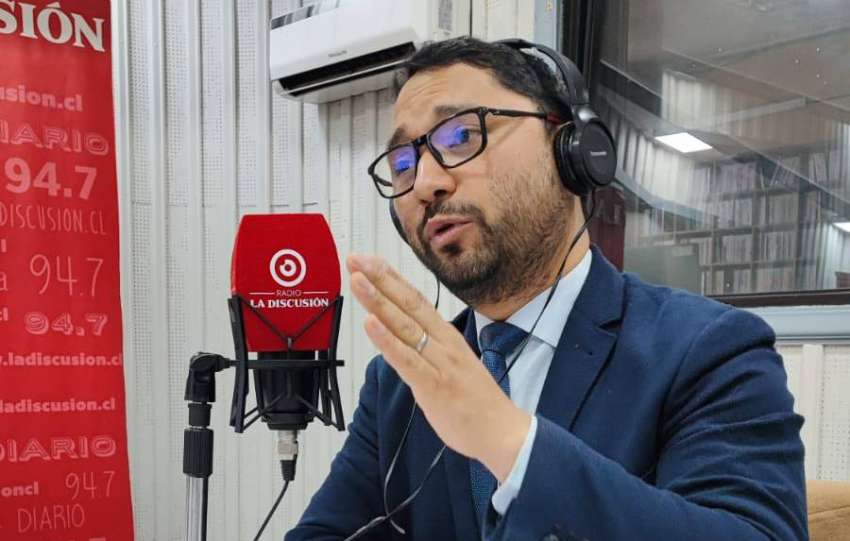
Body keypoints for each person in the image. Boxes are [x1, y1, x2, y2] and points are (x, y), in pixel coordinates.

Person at [286, 36, 807, 541]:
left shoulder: (709, 350)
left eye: (461, 136)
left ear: (570, 149)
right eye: (403, 164)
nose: (424, 183)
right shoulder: (398, 384)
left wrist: (509, 441)